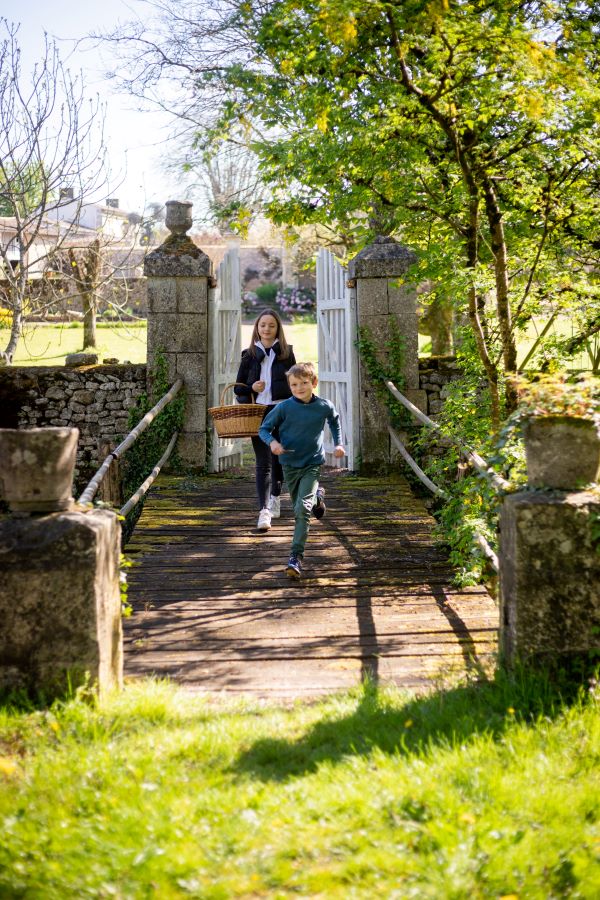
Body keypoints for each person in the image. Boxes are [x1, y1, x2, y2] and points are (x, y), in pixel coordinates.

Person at [258, 362, 345, 579]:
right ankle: (318, 498)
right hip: (289, 464)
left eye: (304, 383)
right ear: (290, 386)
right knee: (301, 505)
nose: (299, 388)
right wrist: (272, 443)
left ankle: (295, 557)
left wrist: (338, 444)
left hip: (312, 463)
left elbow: (334, 421)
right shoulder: (284, 407)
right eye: (294, 384)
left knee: (301, 510)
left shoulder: (324, 406)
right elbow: (264, 429)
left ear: (313, 383)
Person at [234, 308, 296, 531]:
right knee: (263, 462)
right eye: (262, 325)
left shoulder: (287, 354)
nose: (267, 329)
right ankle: (264, 510)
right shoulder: (248, 355)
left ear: (277, 328)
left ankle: (276, 495)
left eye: (271, 325)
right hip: (257, 412)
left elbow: (296, 384)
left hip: (280, 411)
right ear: (257, 329)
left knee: (278, 459)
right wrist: (251, 387)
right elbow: (238, 388)